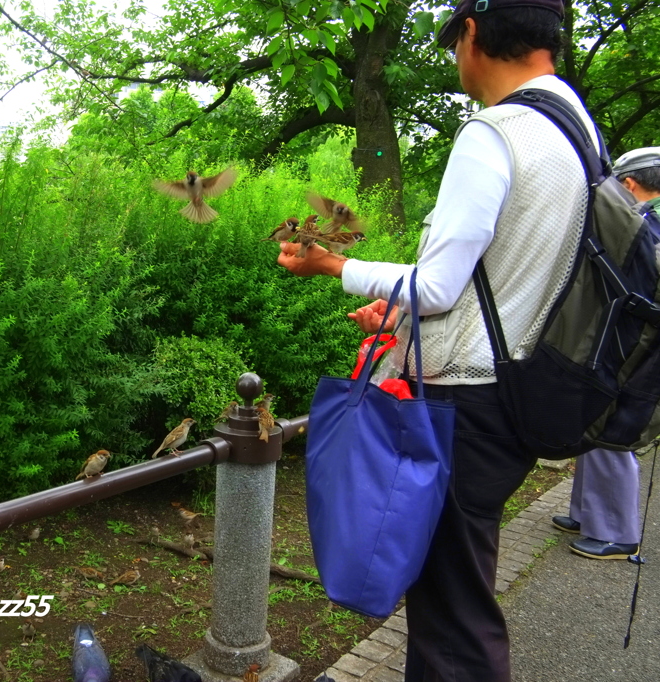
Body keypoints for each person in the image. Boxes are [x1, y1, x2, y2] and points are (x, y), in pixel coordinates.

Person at [278, 0, 594, 679]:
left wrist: (332, 265)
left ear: (472, 34)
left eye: (454, 43)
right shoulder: (576, 130)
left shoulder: (498, 132)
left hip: (466, 407)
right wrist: (402, 317)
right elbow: (516, 278)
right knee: (456, 597)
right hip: (519, 393)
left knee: (452, 619)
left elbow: (439, 286)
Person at [551, 149, 660, 559]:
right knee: (593, 427)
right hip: (626, 342)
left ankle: (618, 533)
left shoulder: (639, 227)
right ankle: (586, 513)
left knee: (614, 433)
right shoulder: (646, 226)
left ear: (629, 184)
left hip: (635, 350)